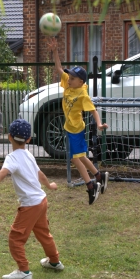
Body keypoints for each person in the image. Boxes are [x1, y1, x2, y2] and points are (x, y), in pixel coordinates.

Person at [0, 119, 64, 279]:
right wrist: (49, 185)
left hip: (30, 205)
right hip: (41, 200)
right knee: (43, 233)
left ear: (9, 137)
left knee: (15, 238)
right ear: (29, 139)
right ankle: (54, 261)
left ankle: (24, 271)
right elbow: (40, 173)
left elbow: (2, 173)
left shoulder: (12, 158)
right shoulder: (29, 154)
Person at [48, 37, 109, 205]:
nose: (69, 79)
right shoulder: (68, 85)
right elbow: (59, 68)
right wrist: (54, 51)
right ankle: (99, 175)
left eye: (72, 78)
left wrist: (98, 124)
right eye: (69, 77)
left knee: (75, 159)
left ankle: (91, 187)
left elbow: (93, 110)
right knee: (81, 157)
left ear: (80, 82)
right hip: (70, 128)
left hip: (76, 130)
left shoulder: (82, 94)